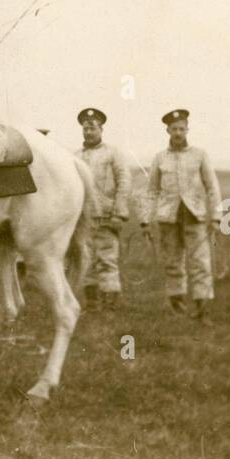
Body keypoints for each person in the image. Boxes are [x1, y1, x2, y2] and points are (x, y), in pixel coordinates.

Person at [142, 109, 222, 323]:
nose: (178, 133)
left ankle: (202, 310)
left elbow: (212, 186)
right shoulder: (160, 158)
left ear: (187, 130)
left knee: (200, 263)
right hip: (169, 218)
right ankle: (177, 308)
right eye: (174, 129)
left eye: (181, 129)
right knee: (173, 262)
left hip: (194, 216)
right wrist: (145, 219)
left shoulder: (200, 155)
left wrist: (216, 216)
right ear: (167, 130)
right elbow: (151, 191)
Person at [74, 107, 131, 309]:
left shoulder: (112, 154)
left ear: (101, 129)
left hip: (107, 215)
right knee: (86, 258)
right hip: (83, 217)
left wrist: (119, 213)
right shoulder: (76, 157)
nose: (89, 132)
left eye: (93, 128)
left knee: (107, 258)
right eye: (85, 128)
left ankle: (110, 301)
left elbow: (124, 183)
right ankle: (92, 301)